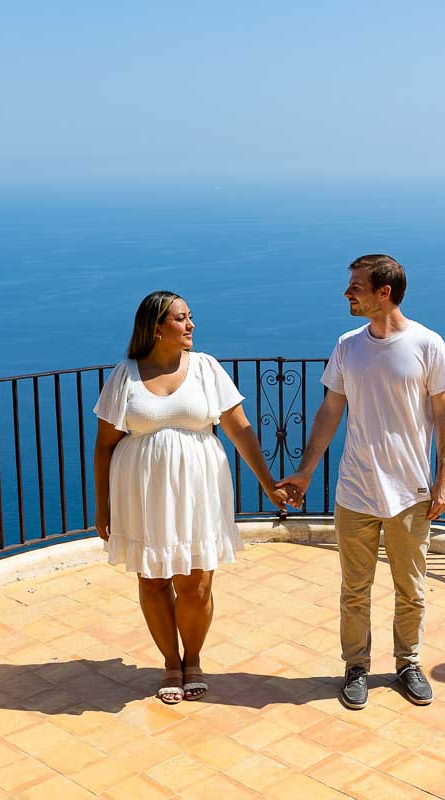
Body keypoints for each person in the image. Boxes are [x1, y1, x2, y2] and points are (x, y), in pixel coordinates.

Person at [278, 254, 445, 710]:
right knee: (353, 589)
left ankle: (407, 663)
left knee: (410, 589)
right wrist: (305, 469)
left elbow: (443, 413)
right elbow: (330, 410)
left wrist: (444, 478)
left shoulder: (427, 344)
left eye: (356, 286)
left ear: (385, 293)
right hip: (355, 489)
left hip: (410, 491)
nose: (347, 293)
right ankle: (356, 668)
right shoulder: (347, 345)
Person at [93, 291, 287, 704]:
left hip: (199, 490)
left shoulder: (205, 368)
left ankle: (193, 658)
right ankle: (170, 661)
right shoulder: (125, 374)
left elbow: (239, 428)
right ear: (157, 327)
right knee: (154, 578)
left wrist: (269, 483)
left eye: (190, 317)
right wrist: (102, 506)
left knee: (196, 583)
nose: (191, 325)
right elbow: (105, 445)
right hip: (143, 491)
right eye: (182, 319)